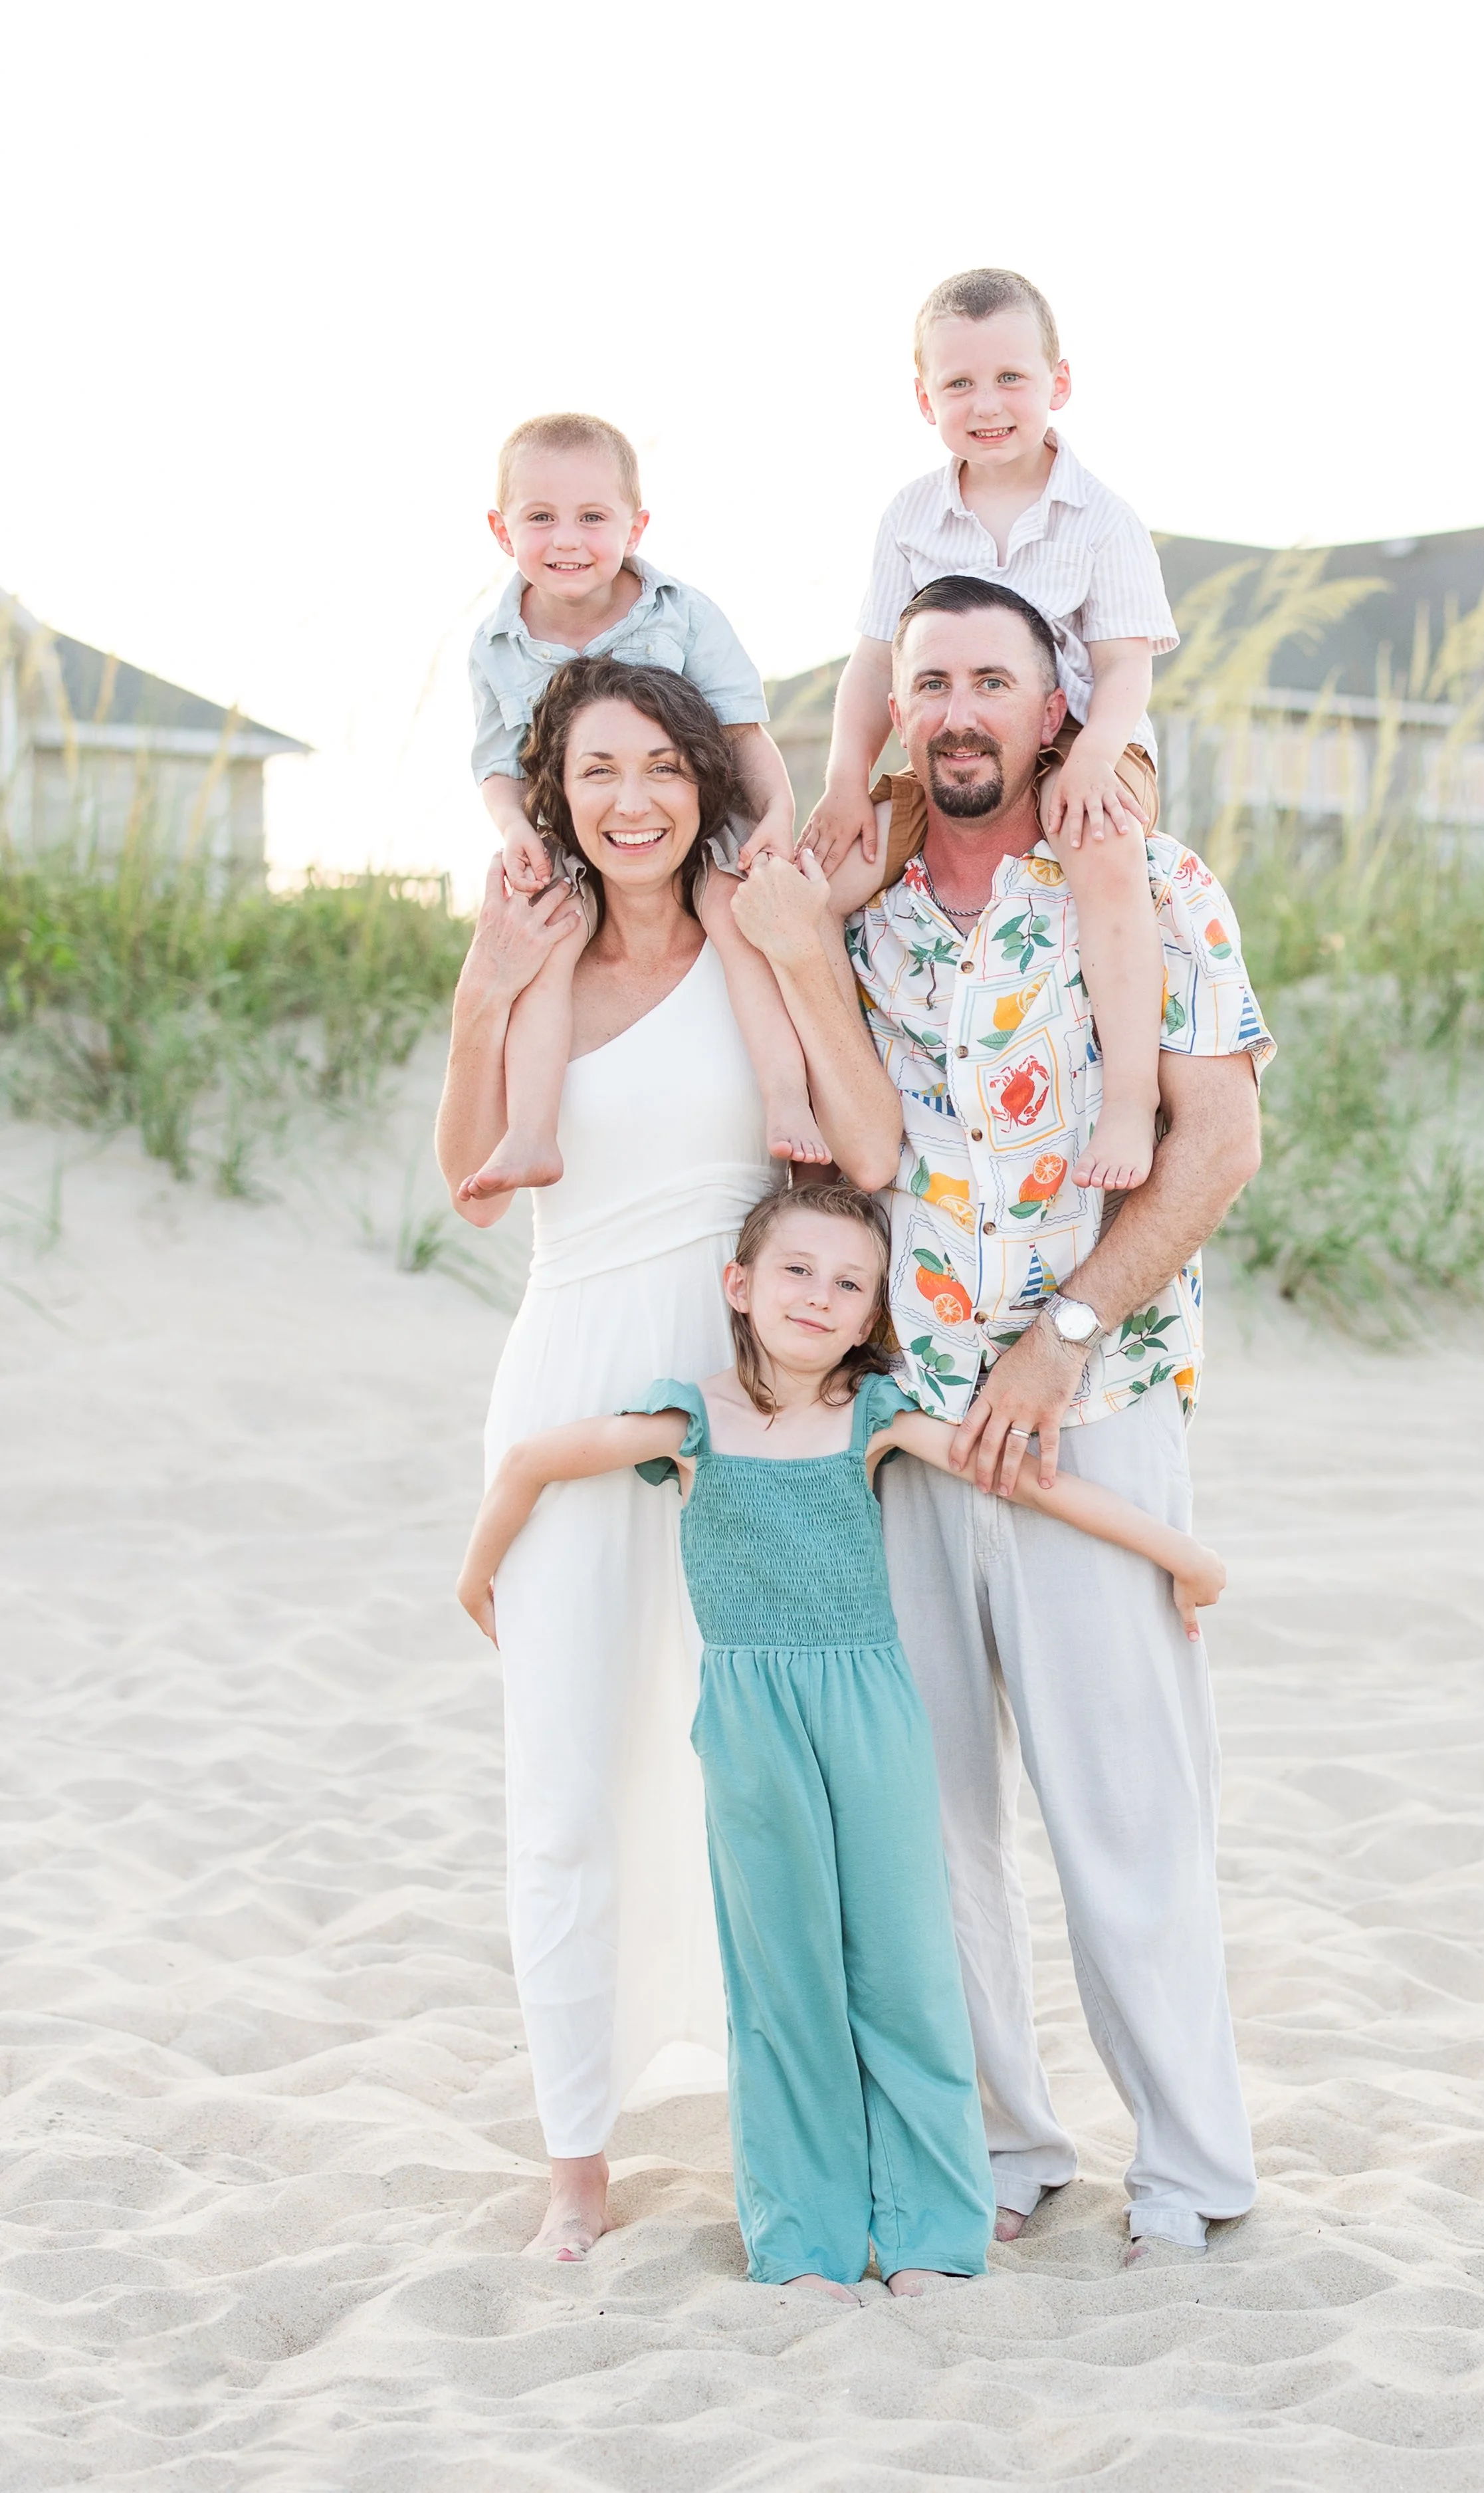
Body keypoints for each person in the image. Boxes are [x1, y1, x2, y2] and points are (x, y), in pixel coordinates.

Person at [736, 574, 1273, 2266]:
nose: (958, 707)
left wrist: (1070, 1328)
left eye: (993, 678)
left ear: (1058, 707)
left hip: (1086, 1412)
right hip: (902, 1432)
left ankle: (1193, 2163)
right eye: (929, 681)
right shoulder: (870, 913)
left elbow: (1218, 1140)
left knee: (1125, 1811)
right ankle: (1005, 2138)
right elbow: (838, 1151)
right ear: (896, 712)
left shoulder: (1154, 886)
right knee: (934, 1814)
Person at [457, 1185, 1227, 2298]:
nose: (818, 1296)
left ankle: (927, 2236)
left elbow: (1024, 1478)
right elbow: (530, 1461)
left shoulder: (873, 1423)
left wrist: (1179, 1555)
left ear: (874, 1317)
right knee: (784, 1985)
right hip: (750, 1728)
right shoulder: (687, 1424)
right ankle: (805, 2241)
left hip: (871, 1720)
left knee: (906, 1971)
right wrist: (480, 1578)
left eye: (849, 1283)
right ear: (740, 1288)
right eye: (795, 1272)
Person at [434, 661, 901, 2261]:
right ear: (552, 796)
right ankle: (579, 2156)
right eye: (592, 771)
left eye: (658, 766)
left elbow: (873, 1148)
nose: (628, 797)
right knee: (565, 1780)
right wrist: (486, 989)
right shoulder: (539, 949)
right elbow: (467, 1176)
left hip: (741, 1402)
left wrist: (807, 962)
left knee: (753, 1770)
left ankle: (786, 2093)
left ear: (704, 780)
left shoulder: (756, 940)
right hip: (564, 1373)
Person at [801, 267, 1178, 1193]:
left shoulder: (1103, 517)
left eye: (1011, 378)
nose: (987, 404)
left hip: (1084, 738)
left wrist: (1090, 756)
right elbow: (869, 665)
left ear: (1059, 383)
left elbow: (1128, 663)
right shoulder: (911, 516)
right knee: (818, 882)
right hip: (947, 751)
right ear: (924, 396)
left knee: (1101, 847)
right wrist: (847, 777)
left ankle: (1129, 1093)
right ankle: (814, 1087)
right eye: (960, 384)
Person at [463, 410, 827, 1192]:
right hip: (577, 841)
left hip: (691, 830)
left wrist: (775, 818)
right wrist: (512, 827)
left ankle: (787, 1102)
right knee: (552, 945)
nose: (567, 539)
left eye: (593, 517)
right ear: (502, 530)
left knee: (735, 923)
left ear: (637, 525)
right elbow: (497, 763)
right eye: (540, 518)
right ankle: (530, 1134)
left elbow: (742, 731)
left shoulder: (681, 613)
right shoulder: (495, 645)